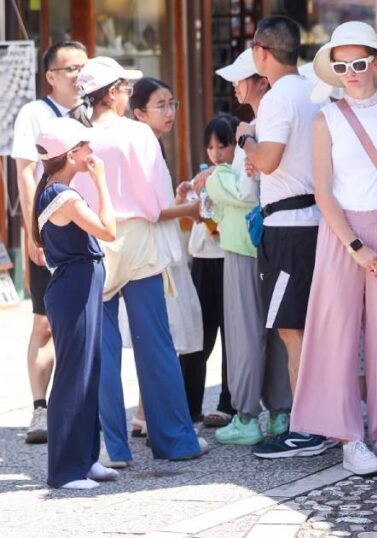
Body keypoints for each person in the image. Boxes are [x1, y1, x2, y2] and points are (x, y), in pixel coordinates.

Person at [289, 21, 377, 474]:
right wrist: (355, 245)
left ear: (376, 64)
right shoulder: (325, 119)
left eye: (359, 63)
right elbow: (323, 191)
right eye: (341, 65)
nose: (352, 72)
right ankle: (349, 436)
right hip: (341, 232)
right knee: (337, 335)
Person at [69, 56, 207, 466]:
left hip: (94, 239)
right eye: (126, 88)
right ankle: (175, 441)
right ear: (112, 92)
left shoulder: (78, 135)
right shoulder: (137, 134)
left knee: (103, 345)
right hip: (138, 241)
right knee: (155, 344)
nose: (130, 93)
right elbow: (157, 204)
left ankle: (114, 446)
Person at [238, 16, 326, 458]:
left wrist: (246, 141)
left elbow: (268, 161)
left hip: (288, 228)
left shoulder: (276, 99)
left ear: (262, 52)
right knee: (310, 328)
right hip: (317, 221)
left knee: (294, 331)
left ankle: (307, 426)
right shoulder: (314, 90)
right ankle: (319, 420)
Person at [196, 51, 293, 445]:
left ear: (258, 79)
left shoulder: (251, 128)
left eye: (240, 79)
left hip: (243, 242)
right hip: (273, 236)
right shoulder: (274, 115)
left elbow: (243, 190)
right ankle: (280, 413)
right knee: (274, 330)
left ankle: (248, 416)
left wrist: (213, 178)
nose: (235, 85)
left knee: (245, 331)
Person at [130, 77, 235, 427]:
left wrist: (183, 208)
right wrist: (187, 209)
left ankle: (150, 413)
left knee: (173, 333)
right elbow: (154, 211)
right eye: (162, 105)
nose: (170, 111)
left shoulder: (150, 144)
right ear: (139, 112)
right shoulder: (144, 144)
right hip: (167, 255)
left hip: (188, 254)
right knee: (176, 334)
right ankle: (161, 413)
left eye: (172, 103)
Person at [32, 118, 120, 489]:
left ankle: (85, 459)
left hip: (77, 284)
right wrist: (101, 180)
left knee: (87, 370)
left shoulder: (53, 189)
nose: (91, 152)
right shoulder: (63, 195)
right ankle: (66, 470)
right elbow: (108, 230)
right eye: (85, 147)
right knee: (74, 375)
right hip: (74, 286)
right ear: (71, 154)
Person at [11, 40, 88, 444]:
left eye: (83, 66)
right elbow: (25, 174)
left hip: (87, 223)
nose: (78, 75)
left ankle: (84, 409)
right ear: (51, 76)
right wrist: (32, 232)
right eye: (70, 68)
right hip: (49, 227)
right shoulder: (34, 114)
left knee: (86, 322)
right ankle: (40, 410)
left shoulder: (94, 111)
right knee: (44, 322)